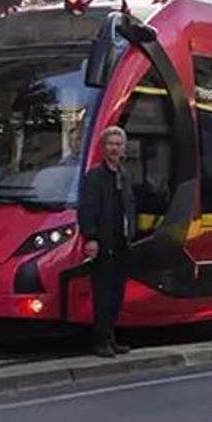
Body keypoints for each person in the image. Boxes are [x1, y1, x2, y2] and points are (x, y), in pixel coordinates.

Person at [77, 126, 136, 358]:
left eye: (118, 144)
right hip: (103, 242)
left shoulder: (124, 174)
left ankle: (111, 337)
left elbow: (129, 205)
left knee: (116, 294)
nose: (115, 148)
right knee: (103, 293)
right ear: (103, 147)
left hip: (121, 242)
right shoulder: (95, 176)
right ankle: (100, 340)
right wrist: (91, 237)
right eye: (111, 144)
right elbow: (87, 209)